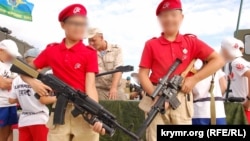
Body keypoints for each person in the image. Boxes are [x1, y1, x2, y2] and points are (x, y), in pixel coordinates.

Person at [138, 0, 224, 140]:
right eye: (164, 16)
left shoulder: (191, 42)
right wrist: (155, 95)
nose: (169, 19)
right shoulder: (151, 44)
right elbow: (143, 74)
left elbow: (218, 60)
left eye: (173, 14)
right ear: (159, 19)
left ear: (181, 17)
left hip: (181, 97)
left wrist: (194, 79)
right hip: (155, 95)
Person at [20, 4, 105, 141]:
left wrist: (95, 114)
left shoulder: (89, 53)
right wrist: (33, 83)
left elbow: (91, 86)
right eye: (74, 23)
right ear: (63, 25)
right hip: (60, 111)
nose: (79, 27)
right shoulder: (51, 51)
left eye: (83, 23)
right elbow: (22, 70)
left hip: (83, 110)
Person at [9, 48, 49, 141]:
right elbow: (43, 100)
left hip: (24, 120)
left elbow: (11, 100)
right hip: (40, 119)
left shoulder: (16, 79)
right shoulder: (40, 80)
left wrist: (23, 98)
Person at [87, 28, 126, 100]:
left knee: (123, 107)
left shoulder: (116, 49)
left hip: (115, 88)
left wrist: (113, 88)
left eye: (93, 40)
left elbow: (118, 69)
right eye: (89, 41)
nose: (91, 43)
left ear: (101, 38)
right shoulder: (88, 52)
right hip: (98, 89)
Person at [220, 37, 250, 124]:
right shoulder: (242, 62)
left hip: (241, 107)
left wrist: (248, 100)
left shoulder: (235, 62)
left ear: (225, 49)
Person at [192, 59, 227, 125]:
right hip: (218, 111)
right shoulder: (215, 64)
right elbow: (224, 86)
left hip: (199, 111)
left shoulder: (192, 65)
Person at [0, 39, 21, 141]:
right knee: (2, 135)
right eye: (9, 55)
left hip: (11, 105)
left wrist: (9, 82)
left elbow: (17, 83)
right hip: (1, 105)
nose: (11, 57)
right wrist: (12, 82)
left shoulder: (12, 66)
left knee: (10, 133)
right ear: (1, 50)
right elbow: (3, 84)